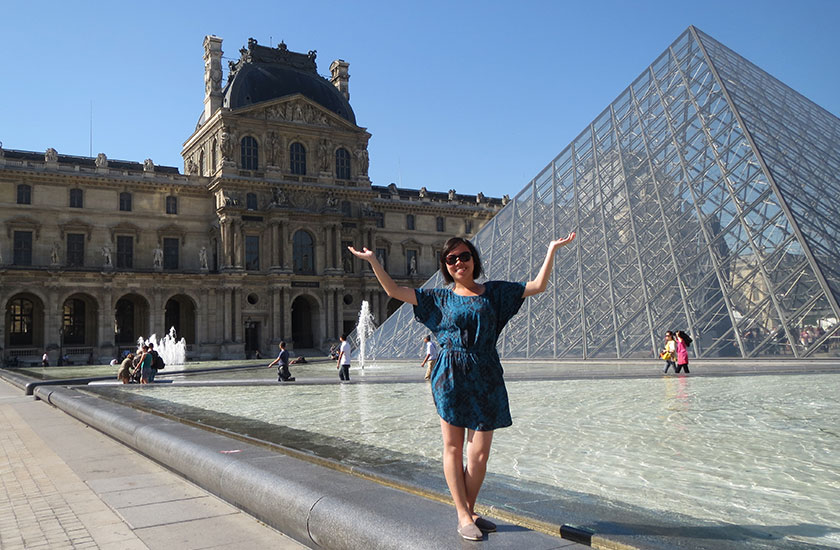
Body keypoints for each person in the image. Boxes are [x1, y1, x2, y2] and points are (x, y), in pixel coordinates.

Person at [348, 231, 576, 541]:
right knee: (453, 447)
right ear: (445, 265)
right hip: (450, 372)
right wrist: (373, 260)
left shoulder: (494, 292)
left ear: (474, 260)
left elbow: (537, 286)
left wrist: (551, 249)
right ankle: (462, 514)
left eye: (464, 257)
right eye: (451, 259)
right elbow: (393, 290)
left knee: (479, 453)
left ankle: (469, 509)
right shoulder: (439, 297)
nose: (458, 263)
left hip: (486, 372)